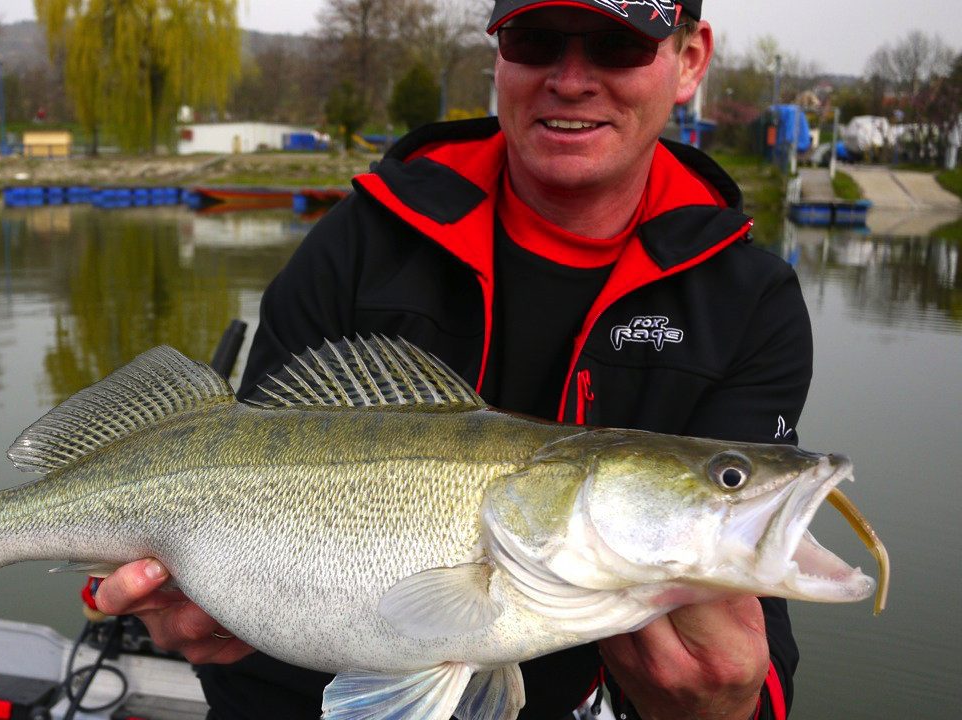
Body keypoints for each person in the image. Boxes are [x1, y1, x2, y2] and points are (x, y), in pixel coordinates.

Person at [96, 0, 811, 717]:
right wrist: (195, 607)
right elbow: (241, 470)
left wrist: (734, 707)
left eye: (615, 45)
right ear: (499, 54)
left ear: (689, 59)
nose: (570, 79)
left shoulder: (751, 304)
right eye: (536, 41)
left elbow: (746, 611)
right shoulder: (359, 243)